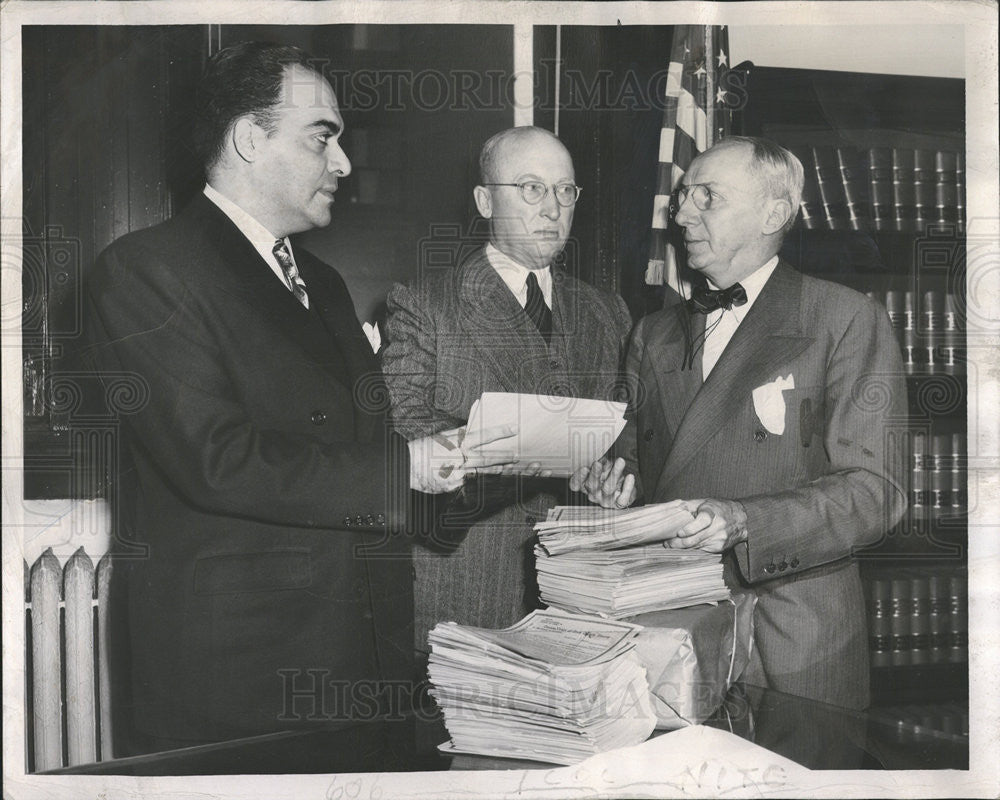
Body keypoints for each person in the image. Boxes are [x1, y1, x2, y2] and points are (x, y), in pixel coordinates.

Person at [82, 41, 510, 753]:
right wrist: (405, 465)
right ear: (251, 139)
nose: (343, 163)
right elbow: (216, 461)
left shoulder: (324, 282)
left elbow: (368, 458)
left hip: (360, 661)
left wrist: (481, 458)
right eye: (323, 137)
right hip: (241, 680)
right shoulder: (145, 271)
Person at [573, 136, 907, 709]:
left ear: (774, 214)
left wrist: (747, 520)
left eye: (707, 197)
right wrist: (610, 485)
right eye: (682, 198)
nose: (680, 214)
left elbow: (876, 494)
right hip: (671, 629)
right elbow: (635, 466)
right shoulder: (652, 333)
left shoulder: (844, 318)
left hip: (794, 639)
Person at [382, 126, 633, 654]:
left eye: (565, 190)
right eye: (531, 188)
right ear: (484, 201)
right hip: (470, 591)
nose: (553, 207)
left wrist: (614, 479)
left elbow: (627, 439)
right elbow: (404, 433)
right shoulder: (425, 303)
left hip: (579, 596)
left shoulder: (606, 311)